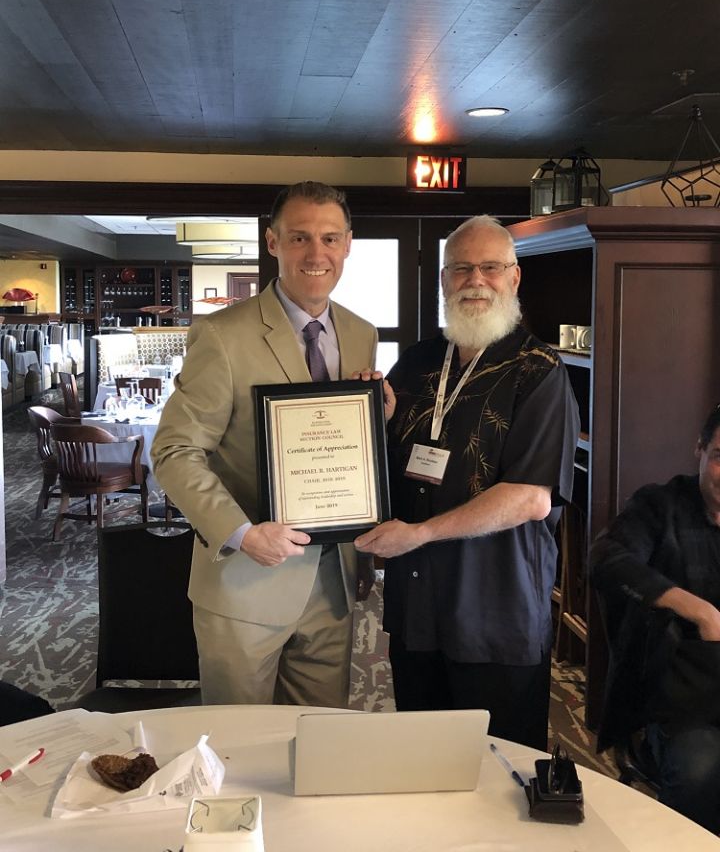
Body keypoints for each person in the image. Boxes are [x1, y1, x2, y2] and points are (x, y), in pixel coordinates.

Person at [355, 214, 580, 751]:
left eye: (490, 268)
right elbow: (394, 465)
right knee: (422, 755)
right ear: (443, 280)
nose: (475, 280)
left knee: (499, 766)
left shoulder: (540, 371)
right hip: (417, 605)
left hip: (494, 611)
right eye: (460, 269)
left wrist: (422, 534)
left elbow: (528, 498)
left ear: (514, 278)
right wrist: (377, 421)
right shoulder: (416, 364)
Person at [151, 181, 377, 708]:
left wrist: (378, 419)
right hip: (247, 581)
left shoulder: (362, 332)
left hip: (333, 582)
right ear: (273, 243)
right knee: (240, 754)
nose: (315, 254)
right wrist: (242, 533)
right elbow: (174, 452)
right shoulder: (223, 335)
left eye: (329, 238)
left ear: (348, 244)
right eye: (299, 238)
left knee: (318, 750)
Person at [590, 404, 720, 834]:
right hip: (678, 697)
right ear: (699, 449)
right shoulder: (659, 504)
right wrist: (697, 609)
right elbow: (607, 559)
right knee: (700, 770)